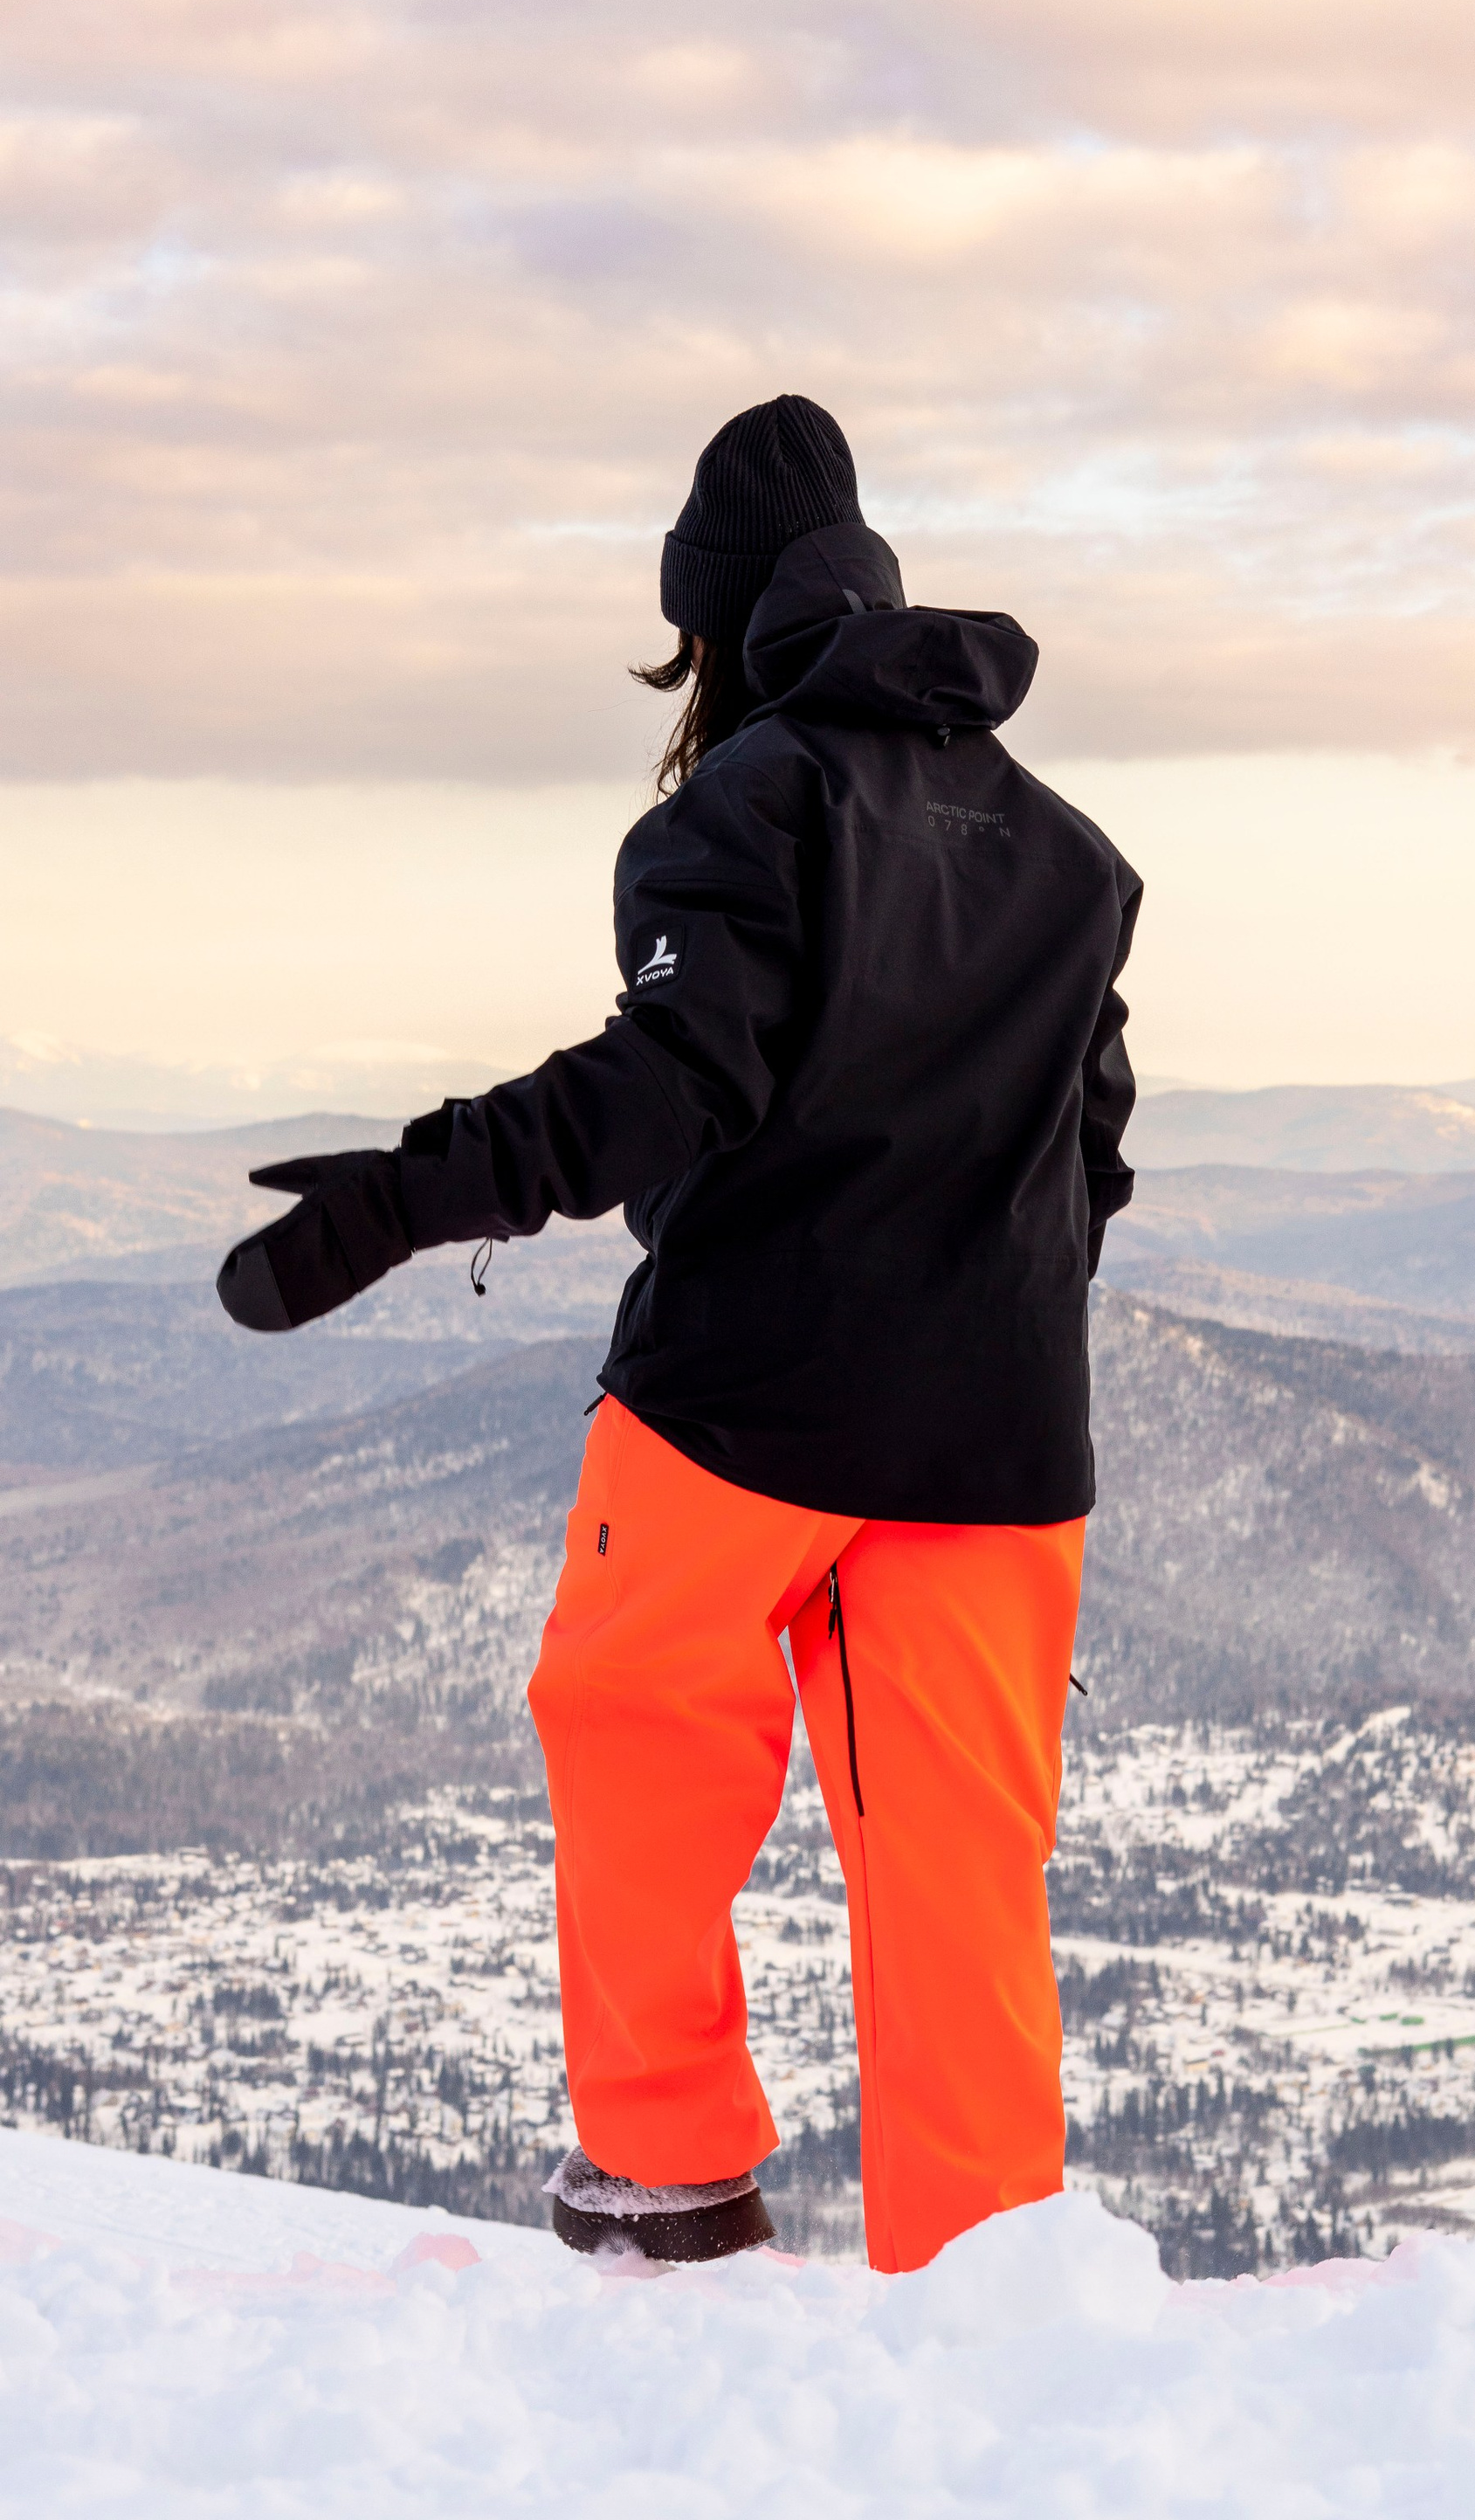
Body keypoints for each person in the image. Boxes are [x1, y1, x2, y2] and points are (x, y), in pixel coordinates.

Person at [217, 396, 1142, 2275]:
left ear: (713, 628)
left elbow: (668, 1082)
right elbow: (1093, 1150)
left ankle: (670, 2169)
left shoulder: (748, 801)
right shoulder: (1068, 855)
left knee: (635, 1736)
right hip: (998, 1436)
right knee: (958, 1856)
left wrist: (405, 1195)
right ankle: (988, 2272)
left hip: (740, 1404)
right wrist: (971, 1298)